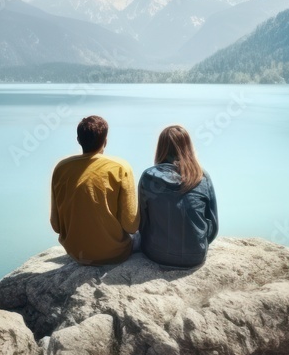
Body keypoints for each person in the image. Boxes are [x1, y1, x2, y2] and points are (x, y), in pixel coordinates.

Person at [50, 115, 139, 265]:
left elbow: (56, 225)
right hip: (115, 253)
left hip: (76, 253)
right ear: (105, 140)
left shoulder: (61, 168)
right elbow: (131, 225)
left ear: (78, 140)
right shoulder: (120, 167)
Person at [138, 124, 218, 268]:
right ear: (188, 147)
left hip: (156, 253)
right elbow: (213, 224)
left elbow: (142, 221)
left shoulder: (148, 177)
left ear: (161, 148)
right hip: (195, 256)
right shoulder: (202, 176)